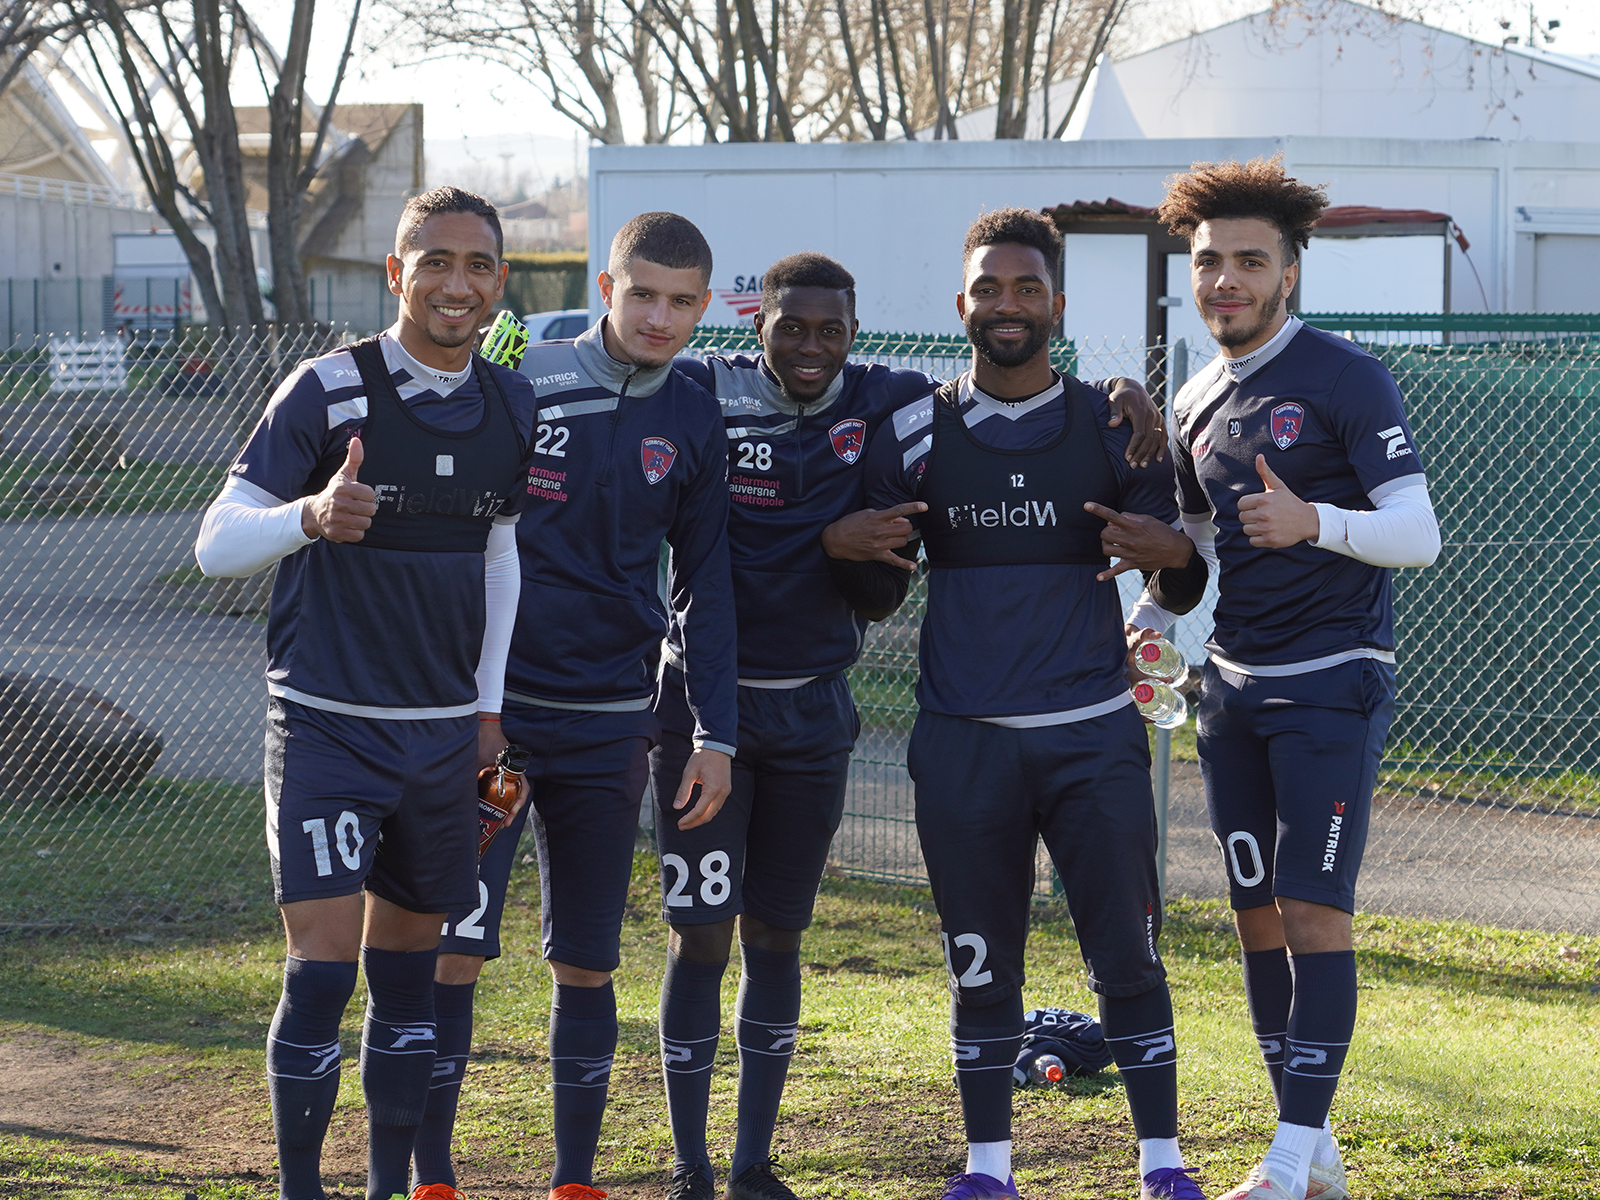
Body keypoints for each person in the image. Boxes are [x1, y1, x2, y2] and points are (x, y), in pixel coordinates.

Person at [653, 250, 1170, 1200]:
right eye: (790, 326)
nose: (811, 346)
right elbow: (623, 372)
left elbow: (1007, 379)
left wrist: (1122, 389)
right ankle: (690, 1166)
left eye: (831, 329)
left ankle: (751, 1166)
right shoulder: (699, 390)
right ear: (753, 325)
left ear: (856, 335)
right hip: (704, 705)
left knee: (777, 936)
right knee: (700, 936)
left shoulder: (887, 401)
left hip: (815, 708)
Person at [193, 186, 537, 1200]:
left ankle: (389, 1188)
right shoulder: (328, 390)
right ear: (397, 274)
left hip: (439, 743)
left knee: (409, 985)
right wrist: (308, 514)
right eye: (433, 261)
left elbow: (500, 556)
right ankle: (303, 1188)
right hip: (327, 730)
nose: (455, 284)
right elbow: (214, 543)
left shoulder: (513, 403)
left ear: (499, 284)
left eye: (476, 265)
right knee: (322, 969)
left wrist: (486, 708)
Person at [859, 207, 1210, 1200]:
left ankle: (1161, 1166)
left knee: (1127, 957)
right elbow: (879, 589)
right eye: (988, 289)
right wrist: (847, 554)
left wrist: (1177, 559)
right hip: (963, 741)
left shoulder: (1114, 425)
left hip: (1089, 736)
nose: (1005, 305)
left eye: (1025, 289)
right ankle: (988, 1171)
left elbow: (1177, 581)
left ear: (1056, 304)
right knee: (979, 963)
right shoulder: (914, 428)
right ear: (959, 304)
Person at [412, 212, 739, 1200]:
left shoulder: (694, 410)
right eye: (643, 293)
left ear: (705, 307)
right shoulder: (526, 380)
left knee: (587, 963)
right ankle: (431, 1178)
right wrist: (465, 701)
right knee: (454, 950)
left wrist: (715, 734)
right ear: (607, 285)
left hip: (610, 728)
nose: (659, 316)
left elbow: (706, 581)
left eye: (682, 302)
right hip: (494, 723)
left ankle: (574, 1182)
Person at [1145, 157, 1442, 1200]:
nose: (1224, 278)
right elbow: (1195, 543)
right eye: (1208, 261)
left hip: (1331, 681)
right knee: (1255, 916)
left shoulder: (1344, 376)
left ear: (1289, 274)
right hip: (1231, 690)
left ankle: (1280, 1161)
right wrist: (1149, 617)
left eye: (1247, 262)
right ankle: (1310, 1158)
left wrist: (1319, 521)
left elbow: (1419, 533)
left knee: (1314, 911)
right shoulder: (1192, 396)